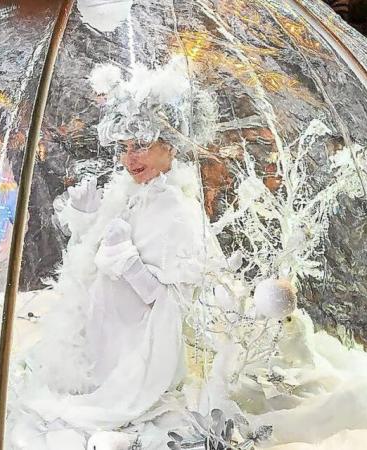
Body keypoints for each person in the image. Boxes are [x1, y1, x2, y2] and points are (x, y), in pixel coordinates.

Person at [22, 57, 221, 430]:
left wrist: (128, 262)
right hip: (100, 342)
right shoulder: (129, 191)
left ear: (171, 146)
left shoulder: (177, 211)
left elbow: (174, 306)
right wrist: (87, 221)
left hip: (131, 353)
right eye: (124, 146)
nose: (130, 158)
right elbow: (93, 262)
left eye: (142, 145)